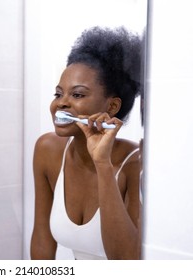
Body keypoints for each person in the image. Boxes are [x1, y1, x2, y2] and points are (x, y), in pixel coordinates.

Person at [31, 26, 142, 260]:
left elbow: (128, 260)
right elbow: (42, 240)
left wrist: (102, 163)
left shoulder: (135, 163)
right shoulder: (47, 150)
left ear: (111, 107)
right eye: (58, 94)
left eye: (77, 94)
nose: (61, 103)